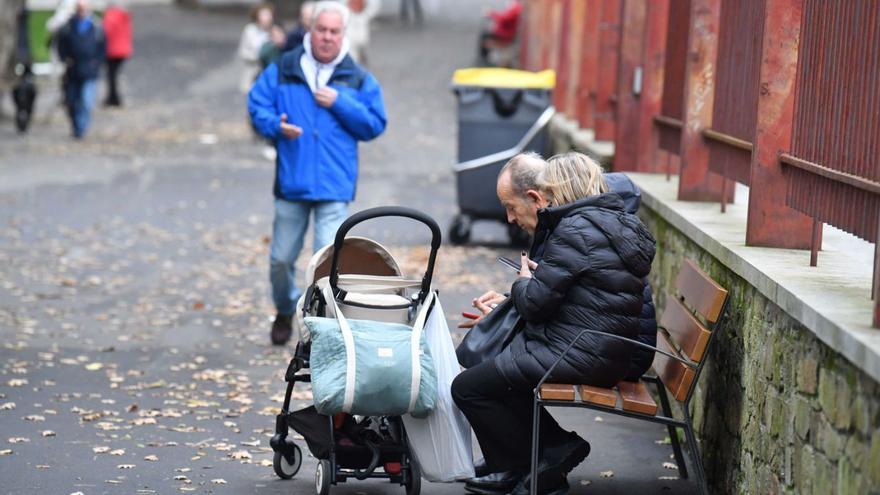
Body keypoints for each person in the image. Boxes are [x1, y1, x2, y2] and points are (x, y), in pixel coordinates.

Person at [452, 152, 656, 495]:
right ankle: (535, 461)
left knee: (467, 388)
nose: (543, 201)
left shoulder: (575, 229)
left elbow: (535, 302)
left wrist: (521, 282)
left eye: (547, 191)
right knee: (499, 362)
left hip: (583, 352)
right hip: (600, 348)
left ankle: (532, 460)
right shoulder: (611, 223)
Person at [248, 1, 387, 346]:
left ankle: (316, 330)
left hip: (334, 185)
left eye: (334, 31)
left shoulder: (356, 77)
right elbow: (257, 104)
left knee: (325, 265)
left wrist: (340, 101)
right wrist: (274, 125)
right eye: (321, 29)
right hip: (292, 183)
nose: (326, 37)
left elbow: (374, 124)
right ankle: (283, 308)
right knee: (280, 259)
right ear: (311, 30)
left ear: (343, 35)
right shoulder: (285, 67)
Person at [56, 0, 105, 139]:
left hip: (89, 70)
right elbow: (61, 46)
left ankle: (81, 128)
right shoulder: (68, 27)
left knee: (86, 101)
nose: (82, 11)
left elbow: (102, 47)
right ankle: (76, 125)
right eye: (79, 8)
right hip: (73, 71)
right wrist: (65, 59)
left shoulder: (95, 27)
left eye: (84, 9)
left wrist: (97, 62)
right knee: (72, 101)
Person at [102, 0, 132, 107]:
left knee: (111, 76)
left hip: (113, 51)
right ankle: (113, 97)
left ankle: (113, 98)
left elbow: (105, 31)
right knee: (114, 75)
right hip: (123, 50)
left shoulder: (111, 16)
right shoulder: (123, 15)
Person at [238, 3, 273, 93]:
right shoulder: (250, 31)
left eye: (269, 15)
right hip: (252, 75)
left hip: (269, 76)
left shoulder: (274, 31)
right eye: (264, 15)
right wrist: (259, 56)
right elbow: (243, 53)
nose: (267, 18)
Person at [478, 0, 521, 65]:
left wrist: (492, 14)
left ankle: (484, 60)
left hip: (505, 35)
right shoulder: (514, 7)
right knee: (484, 35)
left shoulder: (515, 8)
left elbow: (505, 19)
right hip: (503, 33)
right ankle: (485, 59)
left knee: (485, 36)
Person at [345, 0, 380, 65]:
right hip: (350, 24)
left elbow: (374, 6)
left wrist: (366, 14)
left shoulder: (365, 15)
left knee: (363, 45)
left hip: (362, 20)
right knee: (352, 50)